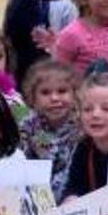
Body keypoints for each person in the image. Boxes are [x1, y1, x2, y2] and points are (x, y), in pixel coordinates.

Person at [19, 60, 81, 197]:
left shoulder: (83, 129)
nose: (54, 98)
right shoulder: (27, 127)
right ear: (33, 98)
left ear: (75, 94)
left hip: (73, 197)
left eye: (62, 91)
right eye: (45, 92)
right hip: (34, 198)